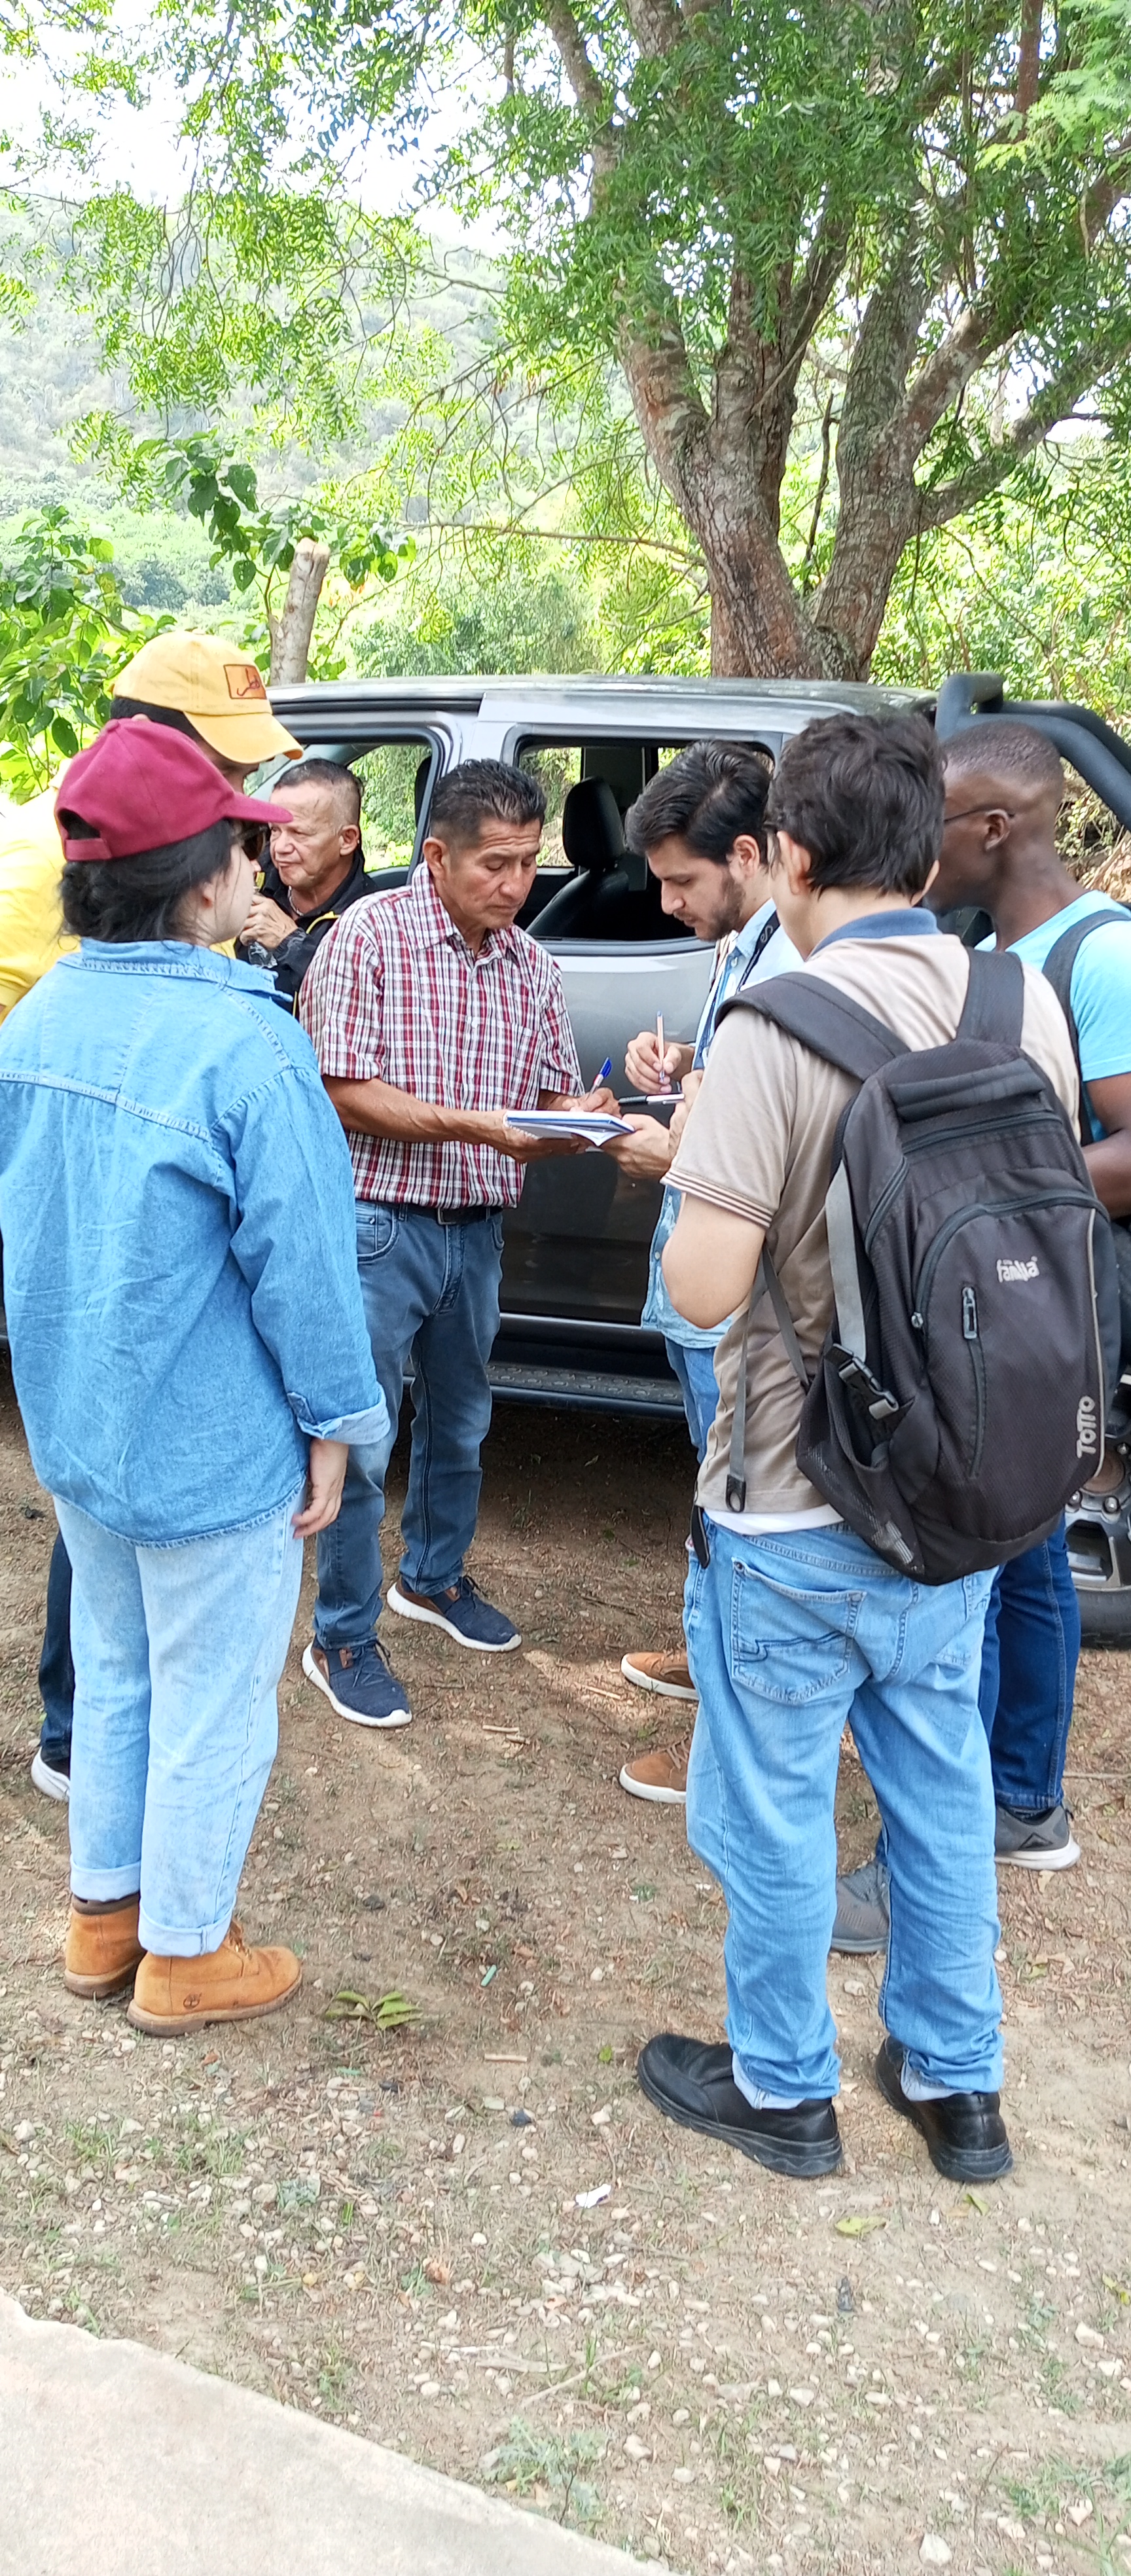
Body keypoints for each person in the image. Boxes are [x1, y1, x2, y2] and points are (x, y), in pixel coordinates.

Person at [636, 711, 1077, 2184]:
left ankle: (784, 2092)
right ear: (926, 853)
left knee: (771, 1806)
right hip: (961, 1487)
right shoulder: (1018, 1002)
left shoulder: (775, 1026)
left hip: (794, 1492)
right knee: (938, 1786)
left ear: (793, 854)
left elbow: (705, 1290)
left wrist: (693, 1142)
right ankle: (959, 2087)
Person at [0, 719, 386, 2030]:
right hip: (210, 1444)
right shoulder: (246, 1045)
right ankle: (184, 1953)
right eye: (239, 844)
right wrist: (337, 1420)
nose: (256, 867)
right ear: (197, 877)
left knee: (114, 1670)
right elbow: (306, 1265)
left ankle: (101, 1920)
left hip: (79, 1426)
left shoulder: (37, 1017)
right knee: (215, 1700)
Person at [833, 718, 1126, 1949]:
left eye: (935, 822)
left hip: (1045, 1300)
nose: (917, 848)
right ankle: (1019, 1800)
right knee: (1019, 1544)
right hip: (992, 1295)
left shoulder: (1099, 956)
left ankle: (965, 1830)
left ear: (994, 828)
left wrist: (962, 1194)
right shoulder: (994, 956)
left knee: (989, 1545)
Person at [3, 629, 300, 1806]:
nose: (246, 793)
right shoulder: (55, 870)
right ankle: (74, 1732)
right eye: (228, 768)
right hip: (78, 1211)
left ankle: (88, 1739)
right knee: (111, 1480)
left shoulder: (101, 850)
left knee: (104, 1494)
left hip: (91, 1207)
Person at [298, 757, 618, 1729]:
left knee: (461, 1424)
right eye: (495, 865)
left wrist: (587, 1112)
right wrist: (483, 1127)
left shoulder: (533, 966)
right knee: (361, 1440)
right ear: (435, 856)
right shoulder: (369, 938)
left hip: (477, 1233)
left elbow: (550, 1093)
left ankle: (432, 1578)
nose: (517, 885)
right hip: (378, 1226)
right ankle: (341, 1635)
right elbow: (339, 1089)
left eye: (528, 862)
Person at [596, 743, 799, 1804]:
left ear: (751, 854)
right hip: (701, 1289)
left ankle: (728, 1739)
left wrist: (663, 1151)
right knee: (714, 1492)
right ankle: (705, 1647)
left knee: (744, 1509)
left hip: (742, 1297)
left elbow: (761, 1160)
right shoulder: (743, 944)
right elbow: (737, 1088)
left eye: (682, 880)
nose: (668, 902)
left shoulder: (789, 961)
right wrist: (680, 1068)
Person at [237, 759, 370, 1005]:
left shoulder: (373, 919)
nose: (279, 848)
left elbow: (359, 1002)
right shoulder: (248, 878)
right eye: (274, 830)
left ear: (347, 840)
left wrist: (291, 943)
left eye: (299, 833)